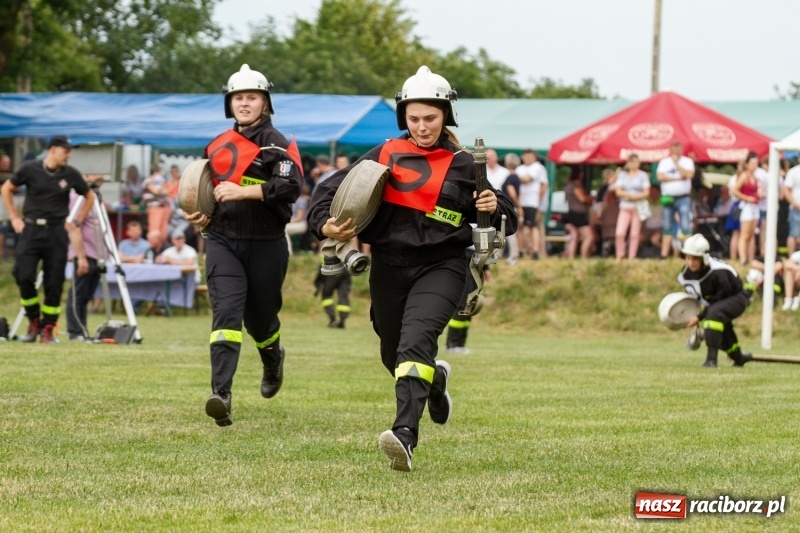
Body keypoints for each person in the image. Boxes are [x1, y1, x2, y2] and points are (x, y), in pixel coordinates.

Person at [307, 65, 517, 472]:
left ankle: (404, 434)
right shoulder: (384, 153)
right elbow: (327, 190)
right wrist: (324, 225)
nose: (422, 127)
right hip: (388, 265)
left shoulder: (464, 163)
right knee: (393, 354)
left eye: (430, 118)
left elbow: (507, 214)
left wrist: (494, 206)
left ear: (446, 116)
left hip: (443, 266)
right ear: (404, 116)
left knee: (415, 343)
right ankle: (435, 383)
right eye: (414, 118)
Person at [184, 64, 302, 427]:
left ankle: (273, 359)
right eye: (238, 98)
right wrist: (198, 212)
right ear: (229, 103)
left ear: (265, 102)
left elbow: (291, 186)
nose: (244, 103)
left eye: (252, 97)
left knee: (261, 321)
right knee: (226, 314)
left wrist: (245, 191)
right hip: (223, 241)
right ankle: (221, 394)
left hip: (267, 244)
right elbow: (205, 189)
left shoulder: (278, 144)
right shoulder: (215, 145)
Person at [0, 135, 96, 343]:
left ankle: (48, 328)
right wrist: (14, 217)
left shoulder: (70, 174)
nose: (68, 155)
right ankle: (33, 320)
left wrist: (78, 220)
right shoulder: (30, 168)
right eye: (65, 151)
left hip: (56, 232)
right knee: (23, 274)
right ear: (53, 149)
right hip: (31, 230)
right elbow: (6, 188)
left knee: (55, 282)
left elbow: (90, 196)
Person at [678, 234, 752, 368]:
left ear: (703, 258)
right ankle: (738, 357)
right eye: (688, 258)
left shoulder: (718, 272)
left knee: (713, 315)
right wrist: (691, 313)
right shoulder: (685, 274)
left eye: (695, 259)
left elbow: (720, 297)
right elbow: (692, 296)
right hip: (715, 304)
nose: (690, 263)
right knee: (722, 328)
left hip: (736, 298)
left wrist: (700, 316)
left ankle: (711, 360)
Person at [66, 174, 106, 342]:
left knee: (86, 296)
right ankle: (75, 332)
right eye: (98, 172)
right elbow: (73, 226)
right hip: (84, 252)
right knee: (78, 294)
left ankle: (82, 330)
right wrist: (81, 257)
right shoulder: (78, 197)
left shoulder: (96, 197)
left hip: (97, 254)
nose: (102, 176)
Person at [656, 141, 694, 259]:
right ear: (670, 150)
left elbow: (689, 175)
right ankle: (664, 255)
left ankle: (690, 254)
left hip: (683, 198)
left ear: (682, 150)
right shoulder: (664, 162)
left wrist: (677, 164)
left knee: (685, 226)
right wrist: (678, 178)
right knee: (667, 226)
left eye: (678, 149)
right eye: (674, 149)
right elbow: (660, 177)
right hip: (668, 198)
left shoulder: (687, 161)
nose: (676, 152)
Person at [611, 154, 650, 261]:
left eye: (635, 161)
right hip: (625, 206)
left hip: (637, 207)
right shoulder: (622, 175)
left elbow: (646, 192)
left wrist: (635, 197)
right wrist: (627, 195)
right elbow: (618, 191)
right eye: (631, 161)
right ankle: (620, 254)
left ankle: (632, 256)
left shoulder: (643, 175)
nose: (633, 164)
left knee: (634, 234)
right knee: (620, 233)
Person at [515, 149, 548, 260]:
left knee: (533, 226)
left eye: (530, 156)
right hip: (520, 202)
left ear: (535, 158)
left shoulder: (538, 167)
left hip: (532, 202)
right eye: (526, 156)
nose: (528, 159)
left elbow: (527, 179)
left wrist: (538, 200)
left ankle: (535, 251)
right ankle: (521, 251)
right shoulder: (520, 168)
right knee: (520, 227)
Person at [731, 153, 763, 266]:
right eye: (753, 163)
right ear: (747, 164)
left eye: (756, 163)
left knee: (751, 234)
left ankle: (749, 258)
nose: (755, 166)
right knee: (744, 234)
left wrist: (759, 194)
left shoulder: (756, 177)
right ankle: (743, 259)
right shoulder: (744, 176)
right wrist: (747, 198)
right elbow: (734, 190)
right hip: (746, 206)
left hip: (755, 206)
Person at [563, 166, 595, 259]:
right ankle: (584, 256)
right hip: (579, 214)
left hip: (571, 212)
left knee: (574, 236)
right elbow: (582, 199)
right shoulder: (576, 185)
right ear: (579, 174)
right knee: (589, 236)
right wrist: (592, 198)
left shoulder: (568, 185)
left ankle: (571, 258)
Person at [314, 263, 352, 328]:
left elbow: (321, 268)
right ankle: (342, 321)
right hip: (346, 268)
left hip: (331, 267)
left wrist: (318, 286)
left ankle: (333, 319)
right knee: (343, 297)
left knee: (326, 295)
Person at [501, 152, 523, 265]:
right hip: (512, 207)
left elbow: (512, 192)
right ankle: (503, 254)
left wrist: (517, 205)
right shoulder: (517, 177)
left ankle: (514, 255)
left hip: (508, 207)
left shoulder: (510, 178)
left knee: (509, 232)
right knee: (505, 231)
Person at [781, 158, 800, 255]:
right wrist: (793, 203)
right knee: (794, 233)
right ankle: (791, 257)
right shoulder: (793, 171)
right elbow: (785, 189)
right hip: (796, 208)